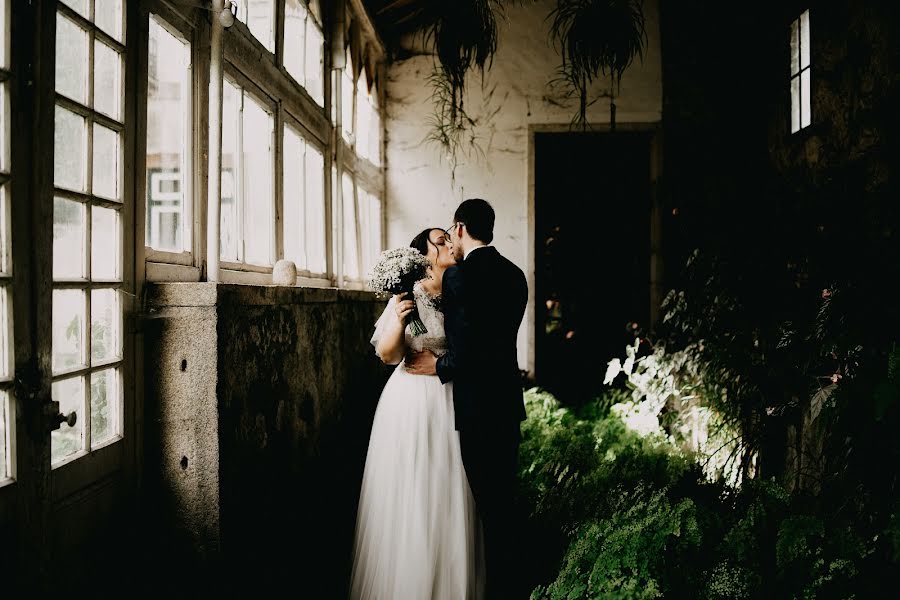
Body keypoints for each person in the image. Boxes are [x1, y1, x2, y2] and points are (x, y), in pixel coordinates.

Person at [350, 228, 485, 600]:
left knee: (451, 489)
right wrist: (397, 316)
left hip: (452, 397)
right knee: (414, 491)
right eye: (440, 241)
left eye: (447, 238)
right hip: (411, 402)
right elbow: (388, 355)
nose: (448, 244)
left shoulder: (462, 293)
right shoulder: (410, 296)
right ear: (424, 256)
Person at [406, 199, 529, 598]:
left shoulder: (460, 278)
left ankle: (499, 587)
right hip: (507, 403)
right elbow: (498, 341)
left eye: (449, 234)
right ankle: (513, 581)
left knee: (485, 511)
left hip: (477, 407)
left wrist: (439, 367)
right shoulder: (515, 275)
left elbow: (469, 346)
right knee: (504, 502)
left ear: (459, 228)